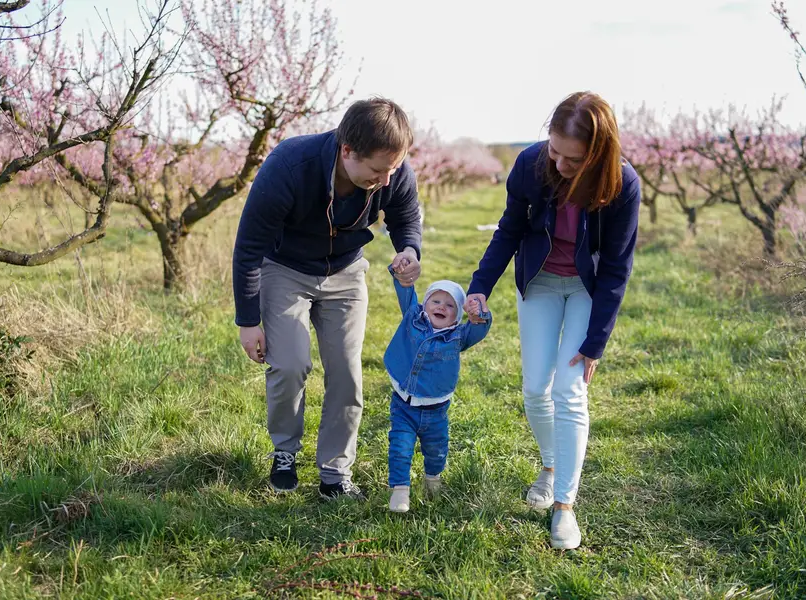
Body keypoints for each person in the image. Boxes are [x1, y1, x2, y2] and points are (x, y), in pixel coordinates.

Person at [464, 91, 641, 549]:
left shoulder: (622, 184)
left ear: (597, 155)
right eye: (554, 150)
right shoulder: (530, 164)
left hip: (587, 287)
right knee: (533, 389)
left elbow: (618, 267)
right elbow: (510, 228)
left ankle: (564, 505)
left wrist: (595, 342)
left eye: (572, 158)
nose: (559, 163)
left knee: (569, 389)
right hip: (540, 282)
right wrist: (480, 285)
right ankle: (550, 466)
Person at [232, 97, 423, 500]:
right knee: (289, 365)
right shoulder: (290, 165)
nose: (386, 180)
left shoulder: (393, 171)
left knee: (347, 372)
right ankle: (285, 452)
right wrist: (248, 322)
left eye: (392, 170)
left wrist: (409, 249)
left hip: (347, 272)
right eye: (377, 171)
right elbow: (249, 247)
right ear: (347, 149)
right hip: (285, 269)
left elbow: (405, 217)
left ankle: (335, 474)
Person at [383, 264, 491, 512]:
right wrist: (401, 272)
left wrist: (479, 315)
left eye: (450, 305)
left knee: (437, 450)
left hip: (436, 409)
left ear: (457, 316)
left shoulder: (458, 336)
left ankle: (433, 480)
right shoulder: (413, 317)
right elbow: (405, 289)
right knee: (400, 446)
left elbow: (480, 327)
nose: (441, 307)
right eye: (436, 301)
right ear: (425, 304)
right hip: (403, 404)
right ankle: (400, 489)